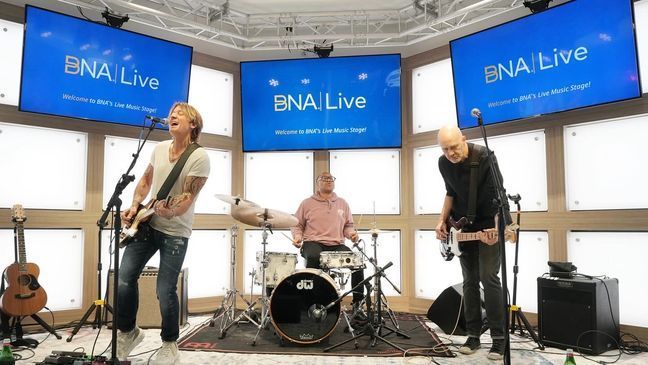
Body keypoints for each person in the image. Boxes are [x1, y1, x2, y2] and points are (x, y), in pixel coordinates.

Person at [116, 102, 210, 364]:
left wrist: (170, 212)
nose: (172, 116)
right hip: (147, 225)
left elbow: (188, 196)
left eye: (179, 114)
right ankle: (128, 332)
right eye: (171, 114)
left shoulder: (198, 156)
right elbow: (146, 180)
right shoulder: (158, 148)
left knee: (165, 289)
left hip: (176, 230)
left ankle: (170, 344)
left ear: (193, 124)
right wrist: (135, 205)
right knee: (124, 279)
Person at [434, 125, 512, 361]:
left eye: (454, 147)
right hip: (462, 227)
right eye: (445, 149)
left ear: (464, 139)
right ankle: (473, 336)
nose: (450, 153)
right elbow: (450, 193)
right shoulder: (443, 163)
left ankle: (499, 340)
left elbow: (500, 195)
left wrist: (500, 227)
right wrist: (441, 221)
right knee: (469, 282)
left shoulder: (485, 157)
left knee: (489, 278)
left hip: (489, 224)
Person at [291, 172, 370, 320]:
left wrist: (352, 234)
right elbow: (296, 224)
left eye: (331, 178)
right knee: (314, 257)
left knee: (357, 262)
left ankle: (358, 305)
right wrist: (297, 237)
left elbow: (348, 226)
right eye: (324, 178)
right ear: (317, 183)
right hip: (313, 242)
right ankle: (312, 301)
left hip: (336, 244)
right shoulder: (307, 203)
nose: (328, 181)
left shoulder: (342, 203)